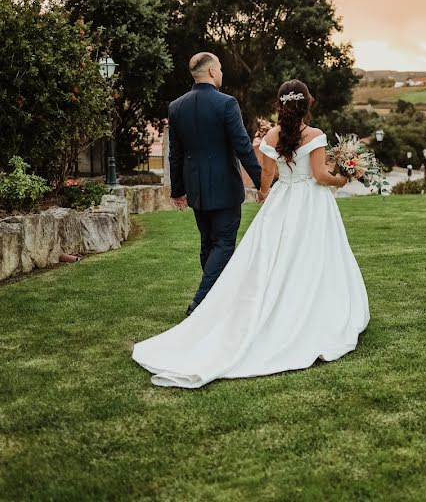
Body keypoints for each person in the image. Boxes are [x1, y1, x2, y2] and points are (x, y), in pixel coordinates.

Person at [132, 79, 370, 388]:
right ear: (308, 103)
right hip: (311, 204)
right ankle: (306, 309)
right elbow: (319, 175)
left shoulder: (271, 135)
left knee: (271, 258)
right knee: (313, 256)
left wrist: (266, 193)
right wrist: (344, 178)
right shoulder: (315, 135)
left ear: (280, 105)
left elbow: (266, 179)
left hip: (281, 202)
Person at [166, 52, 264, 317]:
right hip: (224, 189)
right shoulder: (227, 104)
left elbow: (174, 153)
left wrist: (178, 190)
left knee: (208, 244)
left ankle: (217, 302)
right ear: (211, 72)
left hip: (196, 189)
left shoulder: (176, 107)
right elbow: (243, 147)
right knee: (223, 244)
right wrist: (263, 183)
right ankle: (200, 303)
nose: (221, 73)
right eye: (219, 68)